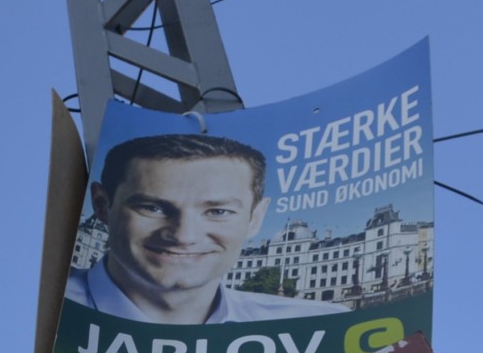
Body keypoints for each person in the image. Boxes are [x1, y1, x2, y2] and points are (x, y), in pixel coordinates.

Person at [67, 132, 321, 325]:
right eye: (152, 208)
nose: (183, 236)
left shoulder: (316, 325)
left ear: (255, 218)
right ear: (101, 205)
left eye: (218, 212)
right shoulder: (40, 306)